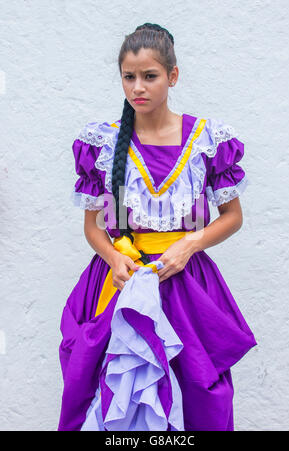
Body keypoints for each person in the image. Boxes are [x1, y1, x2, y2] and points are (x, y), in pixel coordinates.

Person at [58, 23, 257, 431]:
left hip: (186, 284)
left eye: (149, 76)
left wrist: (190, 245)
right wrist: (113, 256)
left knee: (199, 392)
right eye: (129, 77)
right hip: (118, 281)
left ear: (173, 76)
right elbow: (94, 228)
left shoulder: (208, 140)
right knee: (107, 391)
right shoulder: (102, 144)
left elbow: (232, 217)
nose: (138, 88)